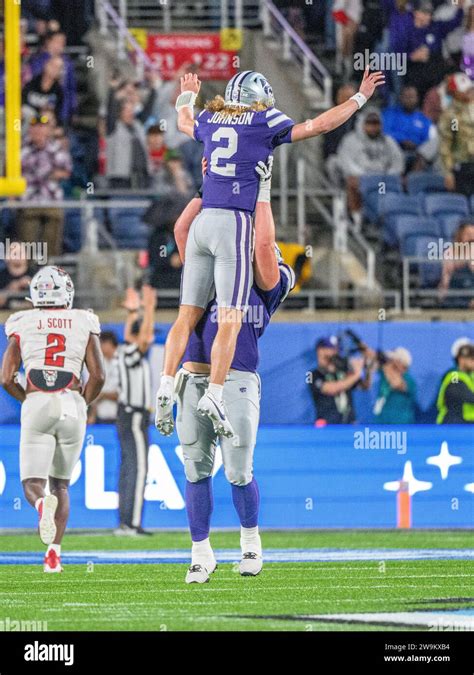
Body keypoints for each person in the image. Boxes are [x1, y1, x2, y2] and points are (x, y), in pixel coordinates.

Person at [155, 67, 385, 439]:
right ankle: (214, 394)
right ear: (256, 98)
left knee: (184, 315)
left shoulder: (212, 118)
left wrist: (187, 95)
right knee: (230, 315)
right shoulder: (263, 119)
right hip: (234, 221)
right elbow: (319, 125)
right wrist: (359, 98)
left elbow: (183, 122)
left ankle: (166, 383)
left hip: (203, 221)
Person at [157, 163, 296, 583]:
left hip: (237, 381)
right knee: (196, 469)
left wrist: (260, 195)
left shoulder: (268, 281)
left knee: (238, 470)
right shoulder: (208, 270)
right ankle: (201, 551)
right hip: (194, 378)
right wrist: (209, 188)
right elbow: (183, 228)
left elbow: (265, 246)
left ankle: (250, 543)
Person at [1, 266, 105, 573]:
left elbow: (6, 377)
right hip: (72, 402)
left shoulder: (22, 320)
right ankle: (54, 556)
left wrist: (29, 400)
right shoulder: (83, 319)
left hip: (36, 402)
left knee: (34, 483)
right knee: (61, 484)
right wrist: (81, 402)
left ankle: (39, 505)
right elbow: (98, 375)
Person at [115, 285, 156, 536]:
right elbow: (140, 340)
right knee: (138, 468)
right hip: (133, 416)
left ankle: (126, 521)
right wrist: (148, 309)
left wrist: (133, 313)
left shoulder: (128, 352)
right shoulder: (130, 352)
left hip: (129, 415)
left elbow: (136, 338)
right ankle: (132, 523)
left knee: (129, 468)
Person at [332, 107, 404, 226]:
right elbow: (345, 161)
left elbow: (398, 161)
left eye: (376, 123)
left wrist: (388, 175)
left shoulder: (388, 141)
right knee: (352, 182)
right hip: (361, 177)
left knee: (399, 182)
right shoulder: (350, 140)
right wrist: (363, 175)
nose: (373, 127)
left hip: (383, 178)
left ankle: (389, 220)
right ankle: (357, 218)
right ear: (362, 124)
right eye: (370, 123)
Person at [17, 114, 72, 257]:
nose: (38, 132)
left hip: (51, 198)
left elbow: (67, 171)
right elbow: (10, 172)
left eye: (42, 128)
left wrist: (52, 174)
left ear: (48, 130)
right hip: (28, 200)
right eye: (35, 128)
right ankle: (30, 272)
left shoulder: (56, 147)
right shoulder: (21, 147)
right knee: (28, 244)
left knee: (51, 245)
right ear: (30, 130)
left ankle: (51, 274)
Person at [391, 0, 465, 102]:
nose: (428, 17)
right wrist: (412, 57)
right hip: (416, 70)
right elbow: (397, 56)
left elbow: (455, 22)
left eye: (429, 14)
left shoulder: (435, 26)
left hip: (436, 66)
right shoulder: (407, 31)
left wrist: (460, 7)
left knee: (459, 75)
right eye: (424, 13)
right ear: (416, 13)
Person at [309, 336, 374, 424]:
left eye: (336, 348)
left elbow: (365, 386)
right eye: (330, 348)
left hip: (348, 424)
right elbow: (331, 389)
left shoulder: (344, 371)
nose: (334, 352)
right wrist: (356, 375)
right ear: (320, 350)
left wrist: (368, 368)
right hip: (327, 425)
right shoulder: (311, 374)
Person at [382, 85, 437, 171]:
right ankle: (397, 177)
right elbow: (385, 132)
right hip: (395, 149)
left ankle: (415, 174)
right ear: (400, 98)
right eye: (406, 97)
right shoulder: (389, 113)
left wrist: (416, 144)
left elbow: (427, 138)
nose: (409, 100)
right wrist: (403, 140)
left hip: (418, 151)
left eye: (411, 97)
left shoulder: (423, 118)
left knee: (436, 141)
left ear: (417, 99)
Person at [28, 30, 77, 124]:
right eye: (57, 41)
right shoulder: (38, 59)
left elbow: (71, 87)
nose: (60, 45)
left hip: (62, 108)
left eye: (63, 42)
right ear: (48, 42)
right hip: (41, 102)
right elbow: (35, 79)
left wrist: (73, 108)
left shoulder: (67, 62)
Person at [438, 72, 474, 196]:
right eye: (465, 90)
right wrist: (448, 173)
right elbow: (445, 145)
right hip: (462, 166)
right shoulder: (450, 116)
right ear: (454, 93)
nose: (469, 91)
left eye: (470, 88)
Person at [106, 100, 150, 189]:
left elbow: (147, 111)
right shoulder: (113, 127)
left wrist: (152, 90)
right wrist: (114, 92)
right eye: (127, 111)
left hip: (141, 176)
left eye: (132, 110)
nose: (131, 113)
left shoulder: (138, 126)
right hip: (120, 177)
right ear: (120, 113)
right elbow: (110, 112)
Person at [373, 348, 417, 423]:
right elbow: (371, 357)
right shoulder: (385, 374)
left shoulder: (409, 380)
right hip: (381, 423)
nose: (390, 362)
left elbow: (396, 383)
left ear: (400, 363)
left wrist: (385, 366)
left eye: (392, 360)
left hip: (400, 425)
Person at [438, 220, 474, 309]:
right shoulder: (450, 251)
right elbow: (447, 276)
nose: (472, 238)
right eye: (468, 235)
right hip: (455, 288)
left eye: (473, 235)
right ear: (461, 236)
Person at [437, 343, 474, 424]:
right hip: (452, 424)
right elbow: (458, 393)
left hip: (468, 424)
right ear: (461, 359)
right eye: (471, 359)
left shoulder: (471, 376)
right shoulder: (454, 375)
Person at [87, 331, 119, 424]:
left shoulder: (123, 362)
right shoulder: (99, 364)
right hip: (100, 416)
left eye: (101, 343)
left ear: (109, 344)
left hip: (119, 416)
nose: (100, 347)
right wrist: (92, 415)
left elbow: (124, 393)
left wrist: (103, 395)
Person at [22, 55, 64, 125]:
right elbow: (23, 101)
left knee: (48, 117)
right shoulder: (32, 83)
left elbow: (58, 112)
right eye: (52, 65)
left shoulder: (58, 90)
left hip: (46, 122)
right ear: (46, 65)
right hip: (31, 120)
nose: (54, 69)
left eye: (58, 68)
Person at [0, 242, 37, 309]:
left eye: (20, 253)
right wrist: (11, 289)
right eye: (14, 253)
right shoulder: (1, 276)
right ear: (6, 257)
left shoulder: (36, 275)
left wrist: (32, 284)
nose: (18, 256)